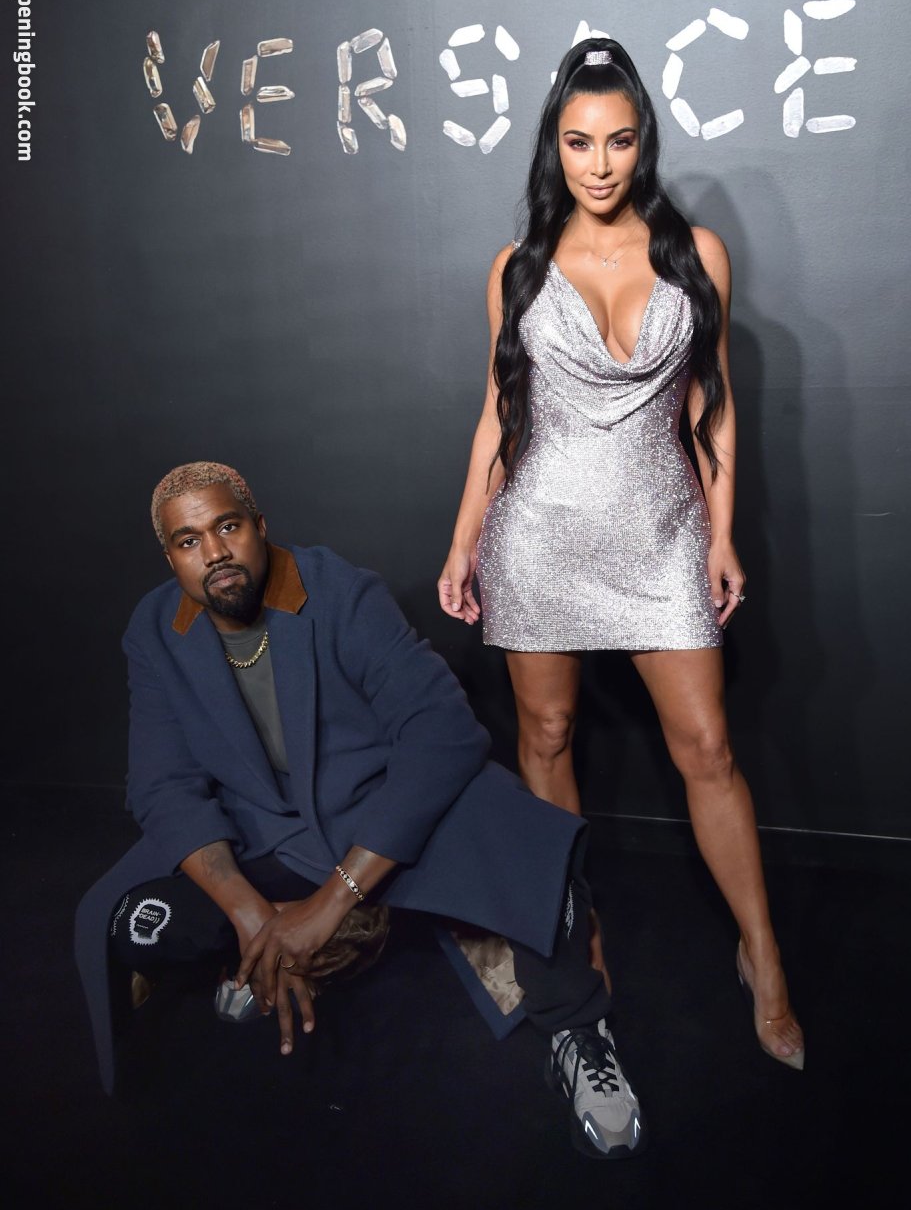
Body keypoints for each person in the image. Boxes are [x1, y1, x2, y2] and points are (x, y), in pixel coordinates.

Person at [75, 461, 646, 1160]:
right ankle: (276, 951)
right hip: (268, 832)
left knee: (535, 848)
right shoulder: (155, 628)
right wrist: (253, 919)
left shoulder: (339, 590)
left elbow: (442, 730)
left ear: (259, 526)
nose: (215, 553)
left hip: (374, 813)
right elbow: (162, 785)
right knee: (136, 923)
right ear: (171, 557)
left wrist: (331, 903)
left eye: (227, 527)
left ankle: (577, 1030)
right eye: (188, 541)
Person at [437, 38, 804, 1070]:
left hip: (659, 534)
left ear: (643, 144)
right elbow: (499, 415)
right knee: (545, 737)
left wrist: (720, 532)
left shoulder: (696, 253)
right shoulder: (517, 268)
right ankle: (574, 930)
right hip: (540, 533)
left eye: (617, 141)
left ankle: (762, 953)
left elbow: (712, 407)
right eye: (577, 142)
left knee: (707, 750)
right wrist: (464, 541)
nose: (597, 165)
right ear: (552, 147)